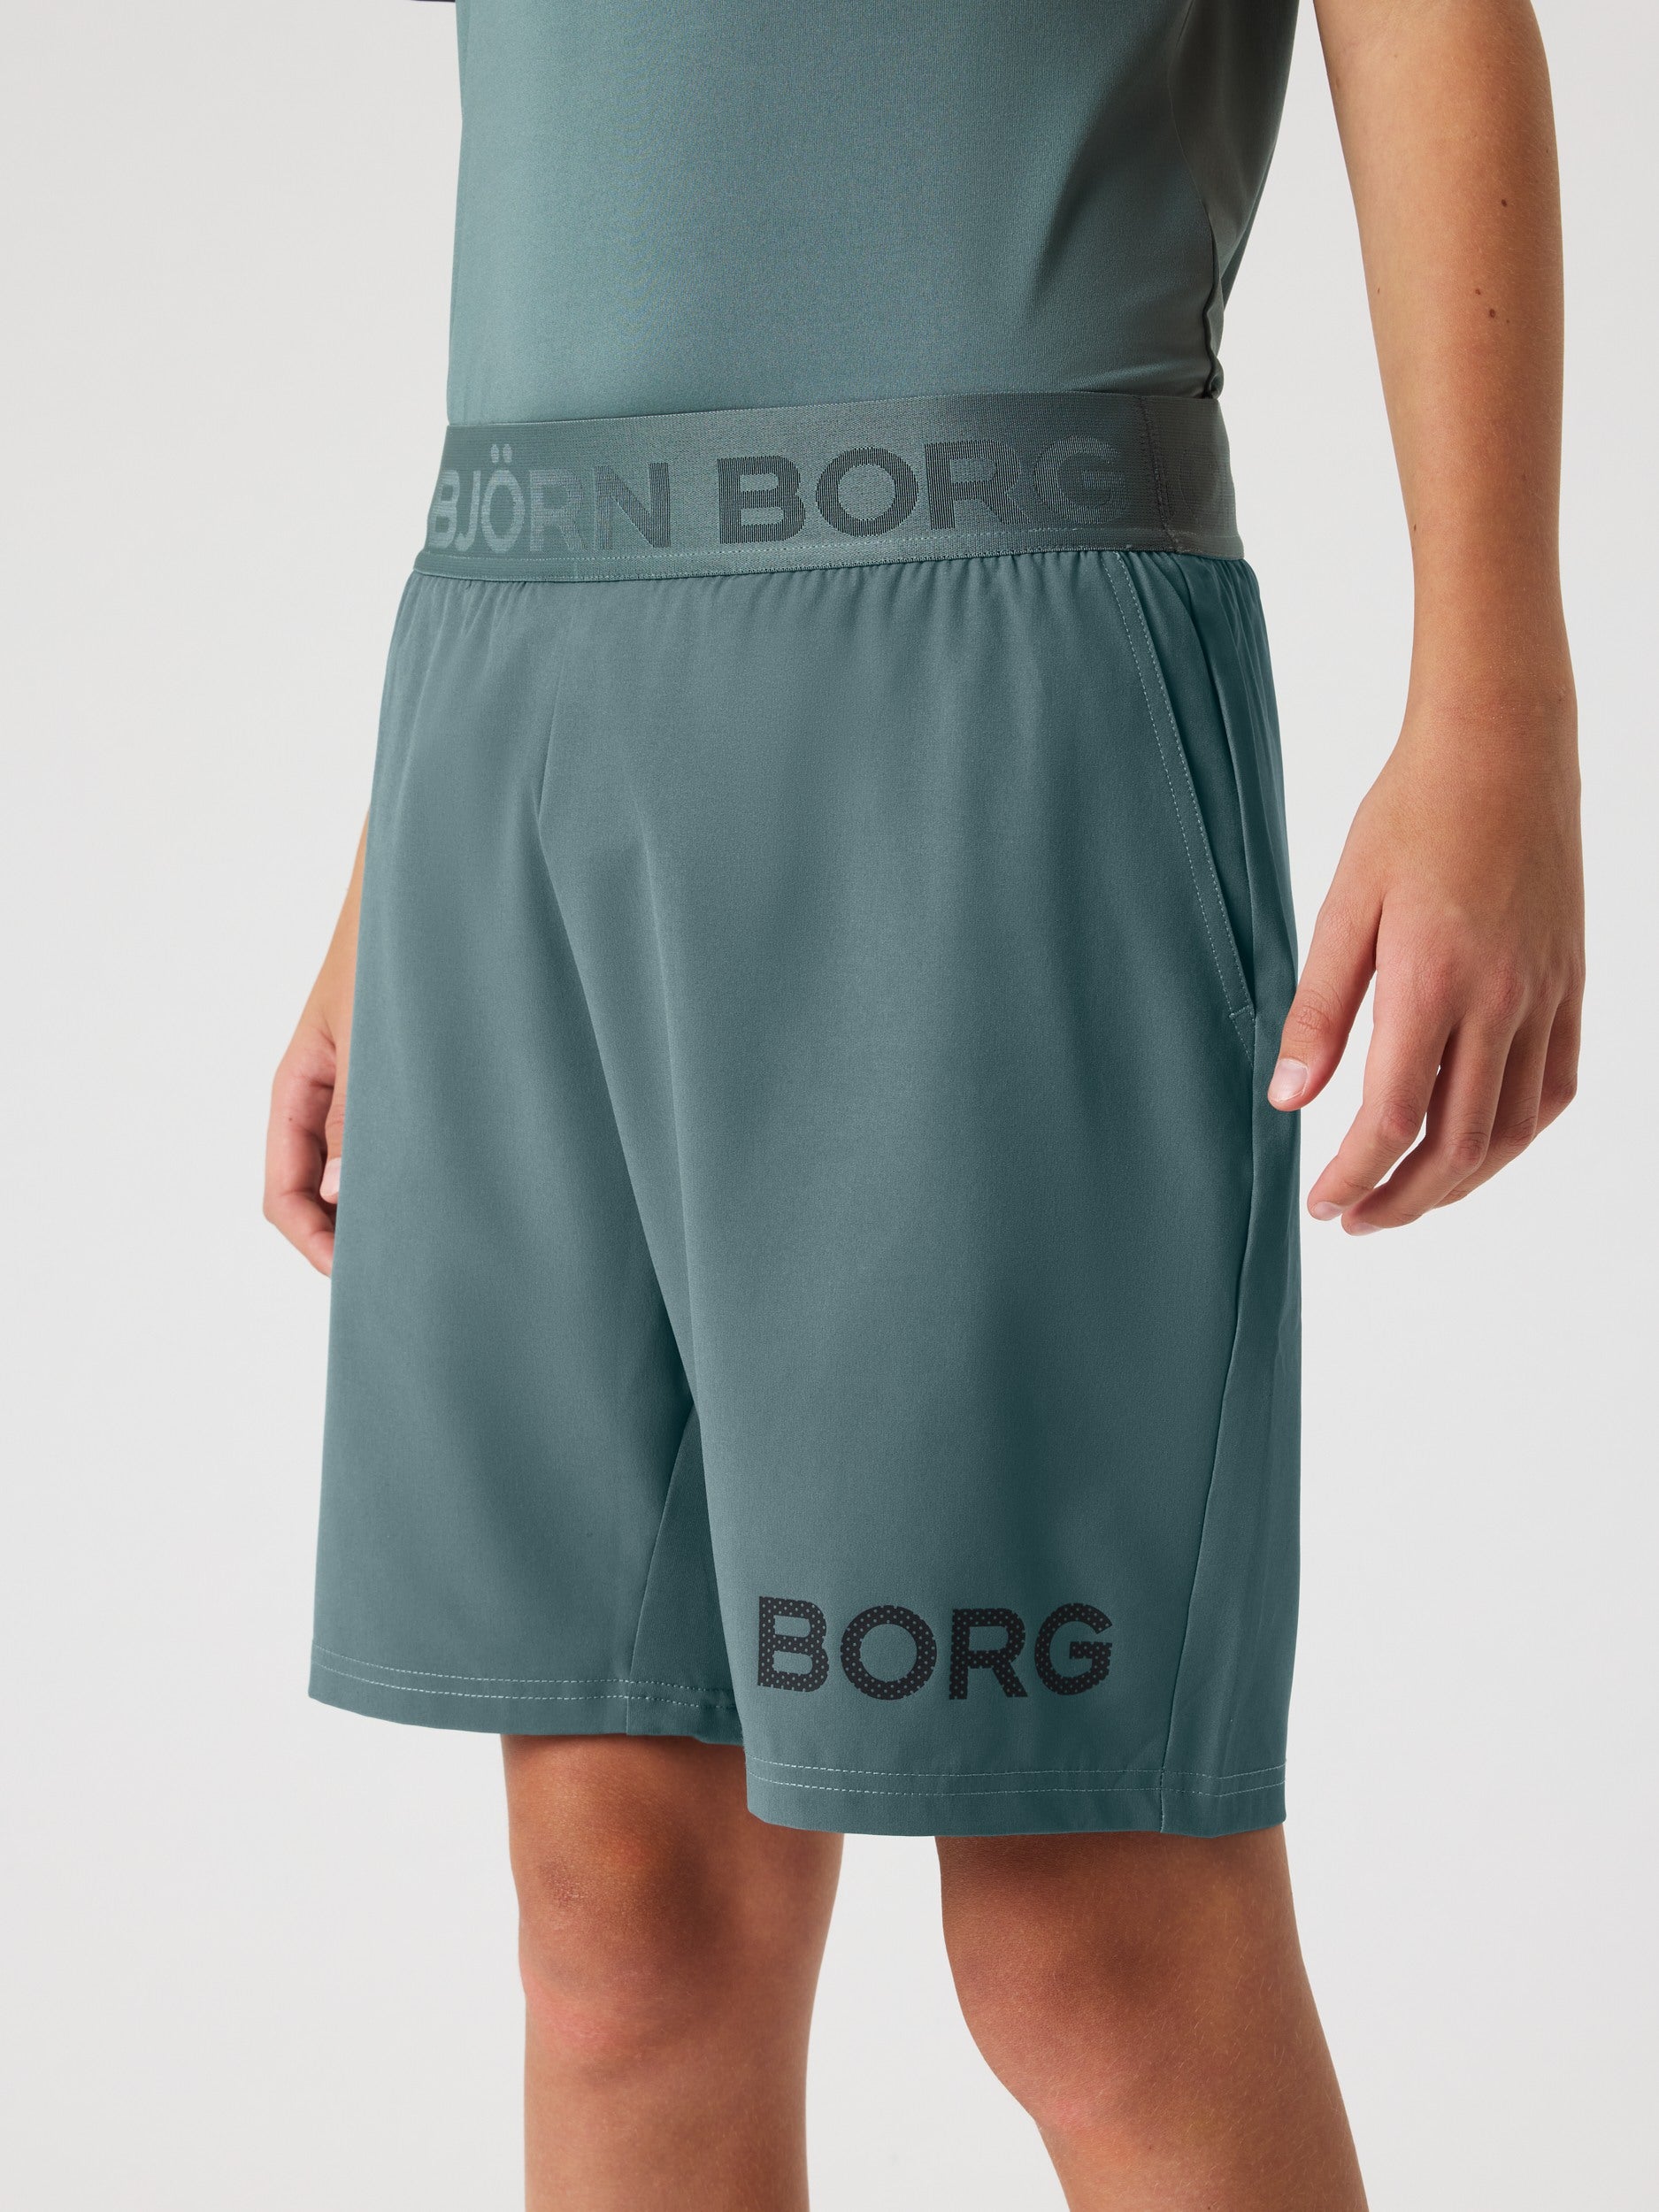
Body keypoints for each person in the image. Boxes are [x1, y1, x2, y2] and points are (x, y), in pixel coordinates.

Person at [264, 3, 1582, 2205]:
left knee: (1093, 1932)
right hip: (515, 677)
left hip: (984, 648)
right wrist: (393, 868)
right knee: (615, 1919)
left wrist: (1495, 693)